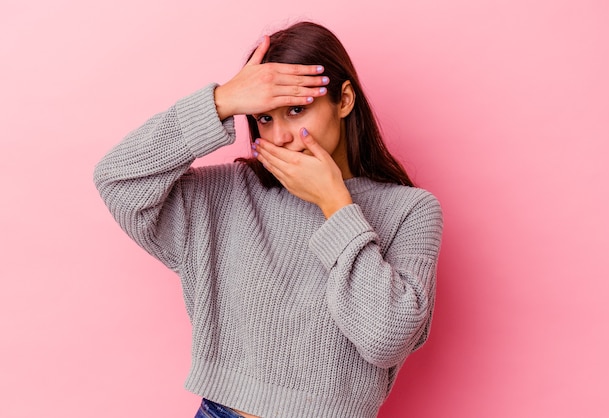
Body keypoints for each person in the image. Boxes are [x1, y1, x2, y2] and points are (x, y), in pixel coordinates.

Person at [94, 21, 443, 418]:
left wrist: (336, 204)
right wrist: (221, 101)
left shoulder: (412, 211)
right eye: (263, 118)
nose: (278, 137)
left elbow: (386, 338)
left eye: (296, 110)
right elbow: (117, 180)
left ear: (344, 100)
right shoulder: (226, 195)